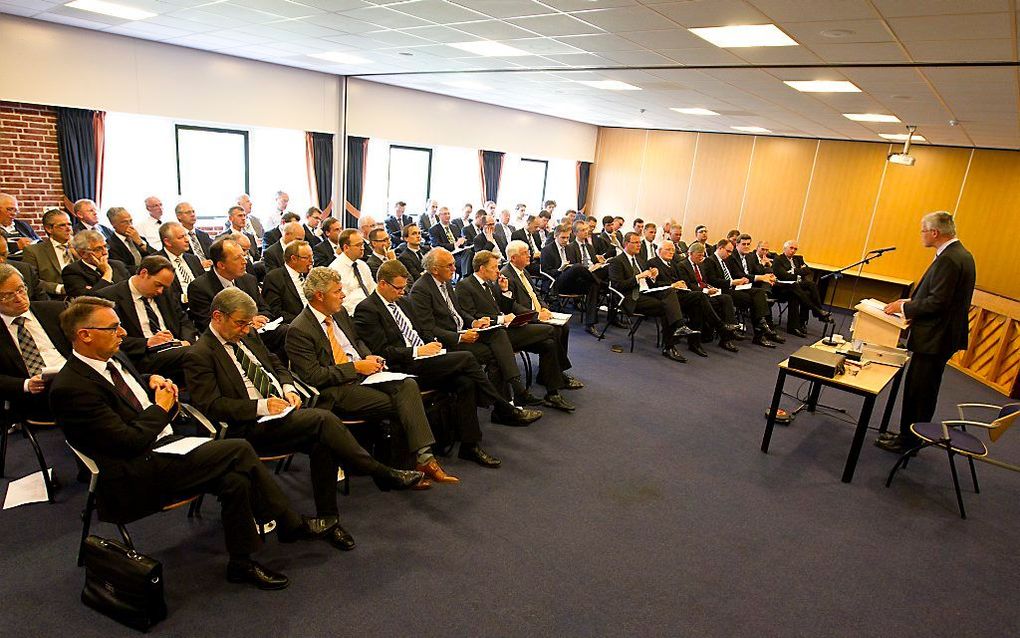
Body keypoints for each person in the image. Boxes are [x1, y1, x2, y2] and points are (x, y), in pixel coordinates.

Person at [50, 295, 333, 590]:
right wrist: (160, 408)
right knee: (238, 449)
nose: (123, 333)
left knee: (234, 480)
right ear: (85, 335)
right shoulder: (71, 388)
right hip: (132, 474)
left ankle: (241, 562)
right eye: (114, 327)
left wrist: (151, 378)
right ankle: (290, 522)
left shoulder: (114, 358)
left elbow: (125, 383)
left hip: (165, 448)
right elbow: (127, 442)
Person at [185, 288, 425, 549]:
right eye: (240, 323)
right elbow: (212, 405)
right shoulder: (200, 354)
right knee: (323, 420)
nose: (245, 329)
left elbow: (276, 365)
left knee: (323, 443)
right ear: (218, 317)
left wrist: (288, 387)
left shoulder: (249, 336)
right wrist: (261, 406)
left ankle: (329, 520)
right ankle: (381, 472)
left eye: (247, 324)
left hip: (282, 415)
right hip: (247, 428)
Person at [287, 267, 490, 475]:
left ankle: (422, 458)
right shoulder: (299, 329)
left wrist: (367, 357)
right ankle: (412, 464)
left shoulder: (339, 314)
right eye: (337, 291)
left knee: (408, 384)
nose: (343, 295)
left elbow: (356, 341)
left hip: (365, 374)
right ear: (320, 296)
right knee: (403, 403)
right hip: (338, 389)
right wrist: (355, 367)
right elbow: (314, 376)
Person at [354, 259, 541, 428]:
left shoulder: (403, 302)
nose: (402, 292)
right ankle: (506, 408)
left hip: (430, 352)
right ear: (382, 284)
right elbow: (383, 352)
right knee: (469, 357)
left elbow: (423, 330)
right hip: (406, 363)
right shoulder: (367, 309)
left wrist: (434, 344)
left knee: (466, 381)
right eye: (398, 288)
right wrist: (420, 350)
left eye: (404, 287)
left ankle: (470, 444)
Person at [875, 211, 976, 454]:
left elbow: (937, 303)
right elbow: (941, 297)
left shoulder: (950, 259)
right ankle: (911, 435)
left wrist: (904, 306)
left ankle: (909, 441)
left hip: (935, 338)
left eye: (922, 230)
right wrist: (913, 303)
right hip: (939, 335)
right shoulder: (960, 254)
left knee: (918, 392)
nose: (920, 235)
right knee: (923, 390)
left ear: (934, 232)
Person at [410, 247, 548, 408]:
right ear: (434, 270)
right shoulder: (421, 289)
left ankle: (510, 399)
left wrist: (473, 322)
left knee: (497, 335)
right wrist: (460, 336)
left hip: (465, 331)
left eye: (454, 264)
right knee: (497, 353)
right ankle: (508, 402)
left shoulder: (445, 282)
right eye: (449, 266)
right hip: (446, 341)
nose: (455, 269)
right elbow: (428, 329)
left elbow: (458, 312)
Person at [457, 250, 577, 411]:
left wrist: (505, 291)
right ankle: (557, 373)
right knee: (551, 330)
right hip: (493, 333)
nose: (498, 270)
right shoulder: (465, 285)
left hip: (506, 329)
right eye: (494, 267)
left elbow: (505, 307)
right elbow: (472, 317)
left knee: (548, 343)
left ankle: (552, 393)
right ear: (481, 268)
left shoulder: (491, 284)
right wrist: (500, 319)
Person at [95, 255, 197, 380]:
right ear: (144, 273)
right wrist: (147, 342)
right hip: (142, 355)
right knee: (200, 353)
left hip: (175, 347)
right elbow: (108, 338)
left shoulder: (165, 293)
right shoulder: (109, 297)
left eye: (164, 287)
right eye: (157, 285)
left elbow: (184, 321)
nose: (160, 291)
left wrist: (186, 341)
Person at [187, 238, 288, 357]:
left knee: (287, 331)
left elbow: (265, 309)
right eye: (237, 258)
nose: (244, 261)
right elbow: (206, 324)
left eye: (244, 255)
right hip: (228, 339)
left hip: (258, 333)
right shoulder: (200, 287)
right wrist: (248, 322)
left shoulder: (248, 279)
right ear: (221, 265)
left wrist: (261, 318)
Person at [607, 232, 695, 363]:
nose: (639, 245)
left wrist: (652, 277)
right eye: (635, 242)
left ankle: (675, 335)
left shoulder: (641, 261)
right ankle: (671, 342)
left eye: (639, 242)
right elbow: (618, 285)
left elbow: (648, 283)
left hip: (647, 293)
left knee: (670, 294)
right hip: (631, 297)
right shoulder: (617, 261)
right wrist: (638, 277)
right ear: (626, 244)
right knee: (667, 306)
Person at [501, 241, 581, 384]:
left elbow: (536, 294)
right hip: (523, 320)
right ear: (513, 258)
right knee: (554, 332)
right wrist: (536, 315)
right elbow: (512, 306)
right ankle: (556, 372)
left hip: (537, 313)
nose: (529, 255)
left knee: (564, 327)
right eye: (525, 253)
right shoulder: (506, 275)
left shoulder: (523, 271)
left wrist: (544, 307)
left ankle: (552, 373)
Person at [0, 264, 70, 420]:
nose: (19, 298)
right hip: (34, 394)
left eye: (20, 289)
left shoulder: (55, 311)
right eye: (7, 296)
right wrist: (25, 385)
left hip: (74, 379)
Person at [648, 241, 740, 356]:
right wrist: (673, 285)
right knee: (700, 297)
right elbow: (653, 285)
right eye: (668, 249)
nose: (671, 252)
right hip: (665, 296)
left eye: (672, 250)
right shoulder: (653, 263)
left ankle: (695, 343)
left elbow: (683, 281)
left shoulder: (673, 264)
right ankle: (720, 327)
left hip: (680, 293)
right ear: (659, 250)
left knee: (700, 302)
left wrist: (681, 284)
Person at [540, 225, 600, 335]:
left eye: (567, 238)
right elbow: (545, 273)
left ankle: (590, 324)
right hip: (556, 281)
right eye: (563, 238)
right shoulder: (547, 250)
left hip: (572, 281)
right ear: (555, 236)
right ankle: (600, 282)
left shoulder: (570, 248)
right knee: (577, 267)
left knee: (592, 285)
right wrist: (560, 269)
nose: (566, 240)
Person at [772, 240, 834, 327]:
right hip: (784, 287)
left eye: (795, 249)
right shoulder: (778, 259)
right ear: (785, 248)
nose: (793, 251)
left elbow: (807, 270)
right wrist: (799, 273)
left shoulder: (798, 259)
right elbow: (783, 275)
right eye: (791, 248)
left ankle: (806, 319)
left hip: (797, 285)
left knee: (811, 285)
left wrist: (793, 271)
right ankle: (818, 312)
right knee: (805, 293)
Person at [22, 208, 75, 298]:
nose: (68, 228)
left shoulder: (81, 247)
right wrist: (59, 288)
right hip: (54, 297)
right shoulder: (33, 251)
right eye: (62, 225)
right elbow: (32, 281)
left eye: (69, 224)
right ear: (49, 229)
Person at [62, 230, 131, 297]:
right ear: (83, 254)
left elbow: (130, 291)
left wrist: (93, 289)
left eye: (105, 246)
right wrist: (107, 273)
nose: (105, 252)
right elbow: (89, 299)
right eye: (98, 249)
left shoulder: (118, 265)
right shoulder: (72, 271)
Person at [262, 240, 313, 324]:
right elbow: (275, 312)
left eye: (312, 256)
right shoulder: (274, 278)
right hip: (294, 325)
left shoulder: (310, 274)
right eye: (307, 258)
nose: (311, 261)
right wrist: (305, 321)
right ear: (293, 259)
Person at [158, 221, 205, 307]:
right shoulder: (158, 262)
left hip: (201, 306)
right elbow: (163, 294)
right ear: (167, 242)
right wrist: (186, 298)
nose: (187, 240)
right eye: (181, 237)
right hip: (178, 308)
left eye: (186, 236)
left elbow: (205, 284)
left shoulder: (193, 259)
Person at [329, 229, 376, 315]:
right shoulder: (334, 270)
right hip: (352, 314)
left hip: (371, 310)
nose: (362, 248)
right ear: (346, 247)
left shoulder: (363, 265)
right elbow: (340, 302)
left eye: (362, 244)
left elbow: (372, 289)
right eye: (358, 245)